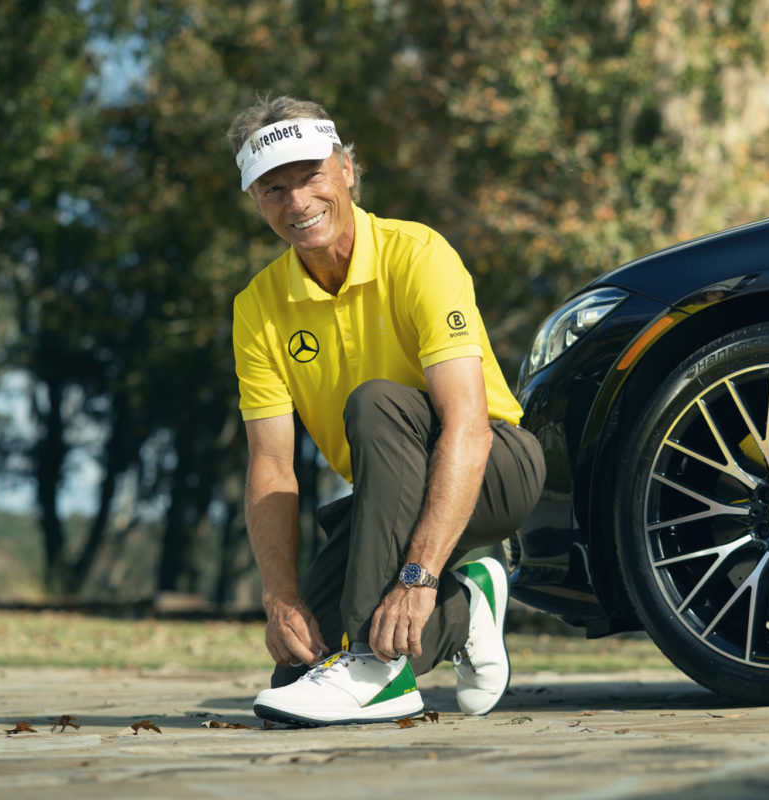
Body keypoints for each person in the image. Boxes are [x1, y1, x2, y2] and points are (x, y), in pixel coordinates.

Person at [226, 95, 544, 726]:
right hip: (387, 494)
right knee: (301, 663)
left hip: (495, 468)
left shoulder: (419, 253)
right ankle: (468, 604)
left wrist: (418, 576)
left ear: (346, 169)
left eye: (311, 176)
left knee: (376, 403)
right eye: (273, 188)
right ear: (256, 199)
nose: (297, 203)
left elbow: (468, 429)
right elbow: (272, 467)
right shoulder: (257, 307)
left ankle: (379, 673)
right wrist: (280, 595)